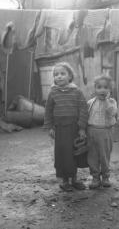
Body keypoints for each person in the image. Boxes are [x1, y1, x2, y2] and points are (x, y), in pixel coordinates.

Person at [44, 62, 88, 192]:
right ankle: (64, 181)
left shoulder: (77, 92)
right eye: (56, 74)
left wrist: (82, 128)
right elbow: (48, 110)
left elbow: (83, 109)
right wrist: (50, 127)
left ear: (70, 76)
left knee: (74, 153)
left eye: (63, 73)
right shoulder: (53, 93)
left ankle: (74, 180)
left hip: (74, 128)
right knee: (63, 155)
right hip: (60, 129)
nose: (59, 76)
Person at [87, 74, 117, 189]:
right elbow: (86, 117)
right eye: (99, 87)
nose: (102, 90)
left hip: (105, 132)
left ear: (109, 89)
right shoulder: (90, 103)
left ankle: (105, 176)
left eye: (106, 87)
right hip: (91, 132)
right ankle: (95, 177)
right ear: (95, 89)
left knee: (104, 156)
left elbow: (112, 113)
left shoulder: (112, 102)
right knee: (92, 156)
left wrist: (107, 100)